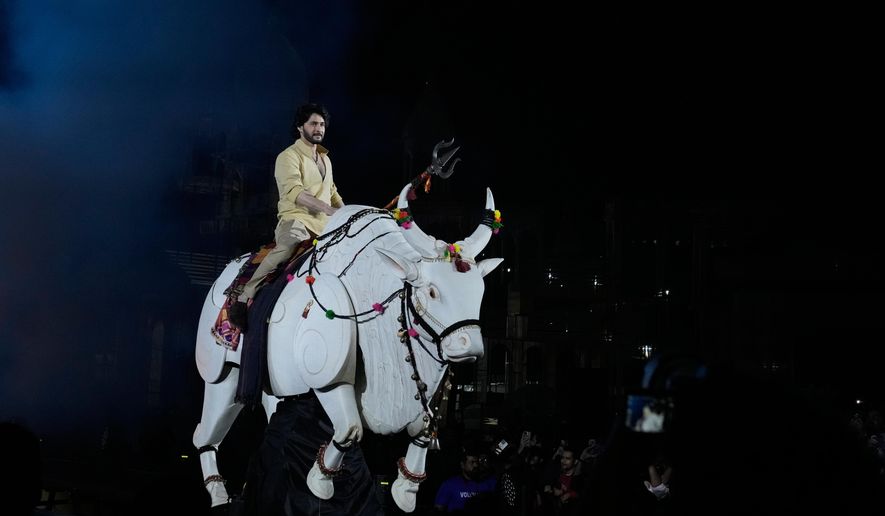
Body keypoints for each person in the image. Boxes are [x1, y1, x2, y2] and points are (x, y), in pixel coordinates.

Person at [229, 102, 344, 331]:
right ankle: (244, 296)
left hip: (325, 225)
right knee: (286, 247)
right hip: (296, 219)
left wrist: (349, 213)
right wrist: (328, 209)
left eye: (322, 124)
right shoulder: (288, 156)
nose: (318, 128)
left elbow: (332, 193)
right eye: (313, 124)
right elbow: (295, 193)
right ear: (300, 127)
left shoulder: (325, 159)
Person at [434, 448, 497, 513]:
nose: (476, 465)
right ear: (462, 465)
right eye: (472, 462)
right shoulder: (449, 484)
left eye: (476, 462)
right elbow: (438, 509)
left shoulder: (485, 483)